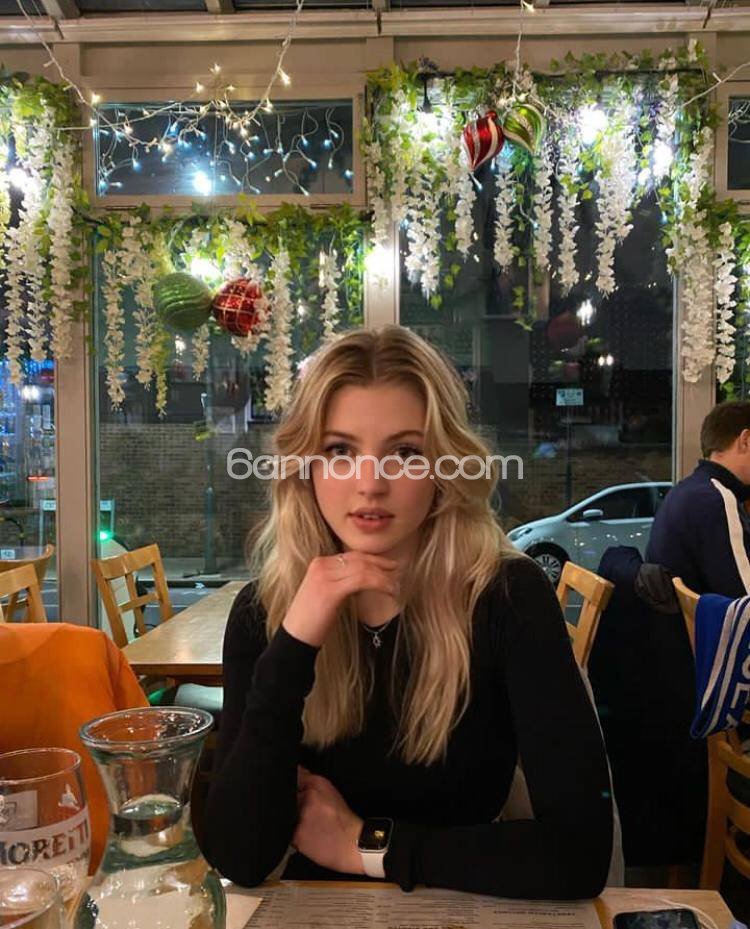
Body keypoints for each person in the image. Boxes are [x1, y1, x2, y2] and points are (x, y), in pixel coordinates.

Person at [202, 325, 613, 899]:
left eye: (405, 453)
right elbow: (239, 856)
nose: (370, 484)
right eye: (340, 451)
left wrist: (367, 845)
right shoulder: (263, 612)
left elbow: (581, 854)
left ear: (444, 468)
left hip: (467, 905)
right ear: (306, 467)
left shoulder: (506, 596)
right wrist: (295, 643)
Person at [646, 401, 750, 597]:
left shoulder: (686, 490)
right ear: (745, 440)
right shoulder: (718, 499)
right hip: (702, 618)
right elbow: (744, 600)